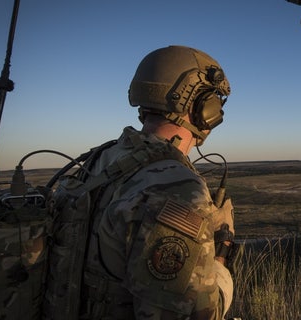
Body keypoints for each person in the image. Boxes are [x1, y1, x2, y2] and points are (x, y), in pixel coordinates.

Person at [78, 45, 236, 320]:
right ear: (201, 106)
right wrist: (220, 260)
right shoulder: (177, 188)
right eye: (214, 100)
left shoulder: (102, 159)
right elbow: (190, 314)